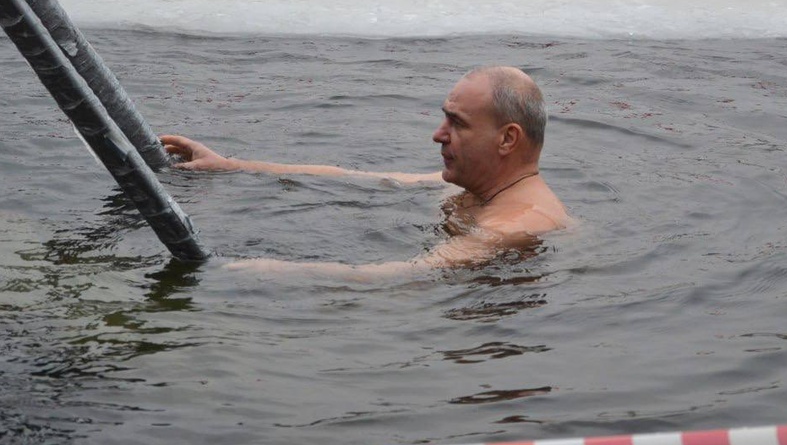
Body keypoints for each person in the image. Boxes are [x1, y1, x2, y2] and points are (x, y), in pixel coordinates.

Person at [160, 66, 569, 281]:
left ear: (507, 139)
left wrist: (264, 270)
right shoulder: (479, 191)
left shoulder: (517, 225)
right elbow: (355, 176)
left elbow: (405, 276)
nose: (438, 135)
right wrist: (230, 165)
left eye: (458, 124)